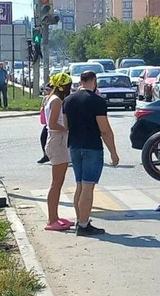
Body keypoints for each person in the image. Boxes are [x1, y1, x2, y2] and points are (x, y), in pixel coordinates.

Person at [62, 70, 120, 237]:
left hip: (74, 145)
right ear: (94, 81)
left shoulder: (68, 100)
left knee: (79, 185)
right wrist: (113, 152)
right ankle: (84, 224)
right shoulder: (97, 101)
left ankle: (80, 220)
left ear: (80, 81)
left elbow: (66, 126)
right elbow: (105, 130)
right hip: (92, 146)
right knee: (88, 186)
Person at [43, 73, 74, 231]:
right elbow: (53, 123)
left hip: (58, 140)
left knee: (58, 182)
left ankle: (55, 217)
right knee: (56, 183)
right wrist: (68, 129)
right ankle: (51, 220)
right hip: (57, 140)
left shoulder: (52, 98)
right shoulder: (56, 101)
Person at [38, 83, 53, 164]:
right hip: (47, 122)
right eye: (46, 90)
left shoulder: (56, 99)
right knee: (43, 137)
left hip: (54, 122)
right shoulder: (45, 98)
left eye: (49, 90)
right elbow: (42, 108)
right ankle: (46, 155)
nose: (47, 91)